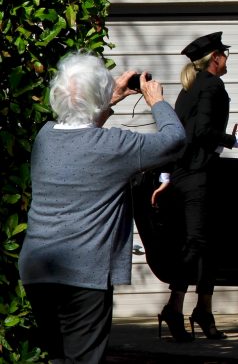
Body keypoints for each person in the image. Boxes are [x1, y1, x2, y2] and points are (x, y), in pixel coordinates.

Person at [19, 53, 185, 363]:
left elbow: (80, 130)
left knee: (59, 357)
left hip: (38, 269)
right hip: (84, 272)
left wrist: (109, 102)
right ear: (98, 95)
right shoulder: (114, 146)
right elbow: (174, 140)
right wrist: (157, 101)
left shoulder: (45, 138)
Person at [154, 32, 238, 342]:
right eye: (225, 54)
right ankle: (174, 307)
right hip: (198, 176)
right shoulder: (212, 86)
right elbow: (203, 132)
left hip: (185, 174)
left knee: (209, 246)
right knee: (197, 243)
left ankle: (203, 310)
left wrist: (165, 177)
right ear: (215, 58)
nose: (227, 59)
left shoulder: (189, 90)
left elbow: (178, 134)